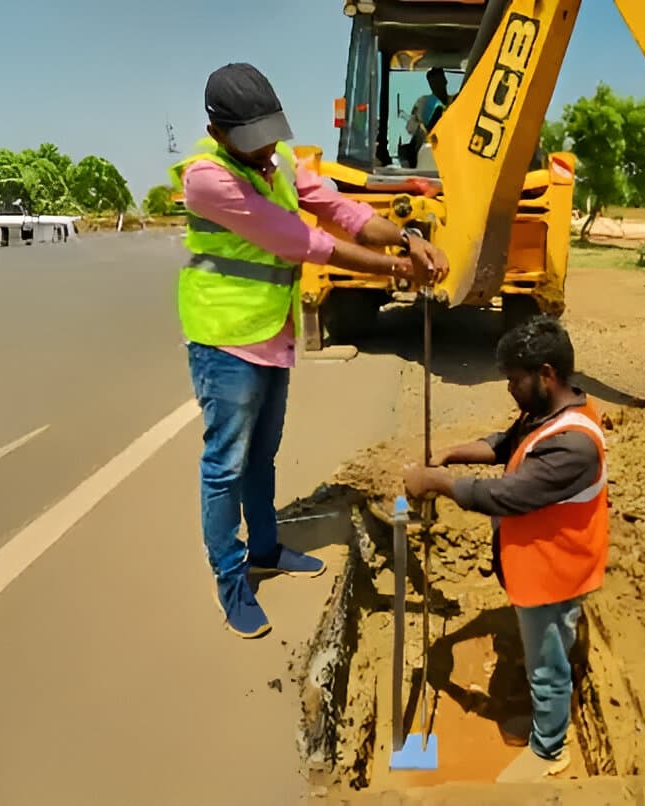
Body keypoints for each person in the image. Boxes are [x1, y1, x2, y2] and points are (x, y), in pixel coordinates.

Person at [174, 62, 450, 639]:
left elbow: (344, 213)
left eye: (269, 132)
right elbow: (306, 242)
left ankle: (267, 548)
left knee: (263, 455)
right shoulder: (208, 177)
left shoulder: (276, 164)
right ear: (218, 129)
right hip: (225, 338)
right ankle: (231, 579)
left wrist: (408, 236)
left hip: (271, 332)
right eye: (251, 138)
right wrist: (399, 271)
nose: (266, 146)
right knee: (225, 466)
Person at [402, 315, 608, 782]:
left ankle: (550, 750)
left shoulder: (574, 445)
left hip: (556, 573)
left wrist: (439, 481)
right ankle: (541, 712)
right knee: (543, 651)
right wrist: (453, 454)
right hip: (538, 564)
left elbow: (507, 496)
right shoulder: (549, 413)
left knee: (548, 664)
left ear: (547, 374)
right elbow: (505, 443)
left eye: (515, 380)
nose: (509, 389)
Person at [399, 67, 451, 168]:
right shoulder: (423, 103)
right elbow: (411, 128)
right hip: (426, 154)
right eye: (433, 83)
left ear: (445, 81)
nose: (436, 86)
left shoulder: (455, 102)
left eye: (438, 81)